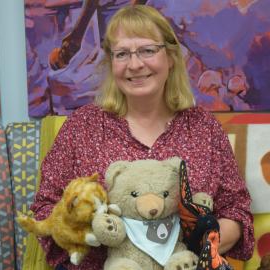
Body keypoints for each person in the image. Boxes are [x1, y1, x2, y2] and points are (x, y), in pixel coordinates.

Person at [30, 5, 254, 270]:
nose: (135, 65)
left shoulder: (204, 127)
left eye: (147, 50)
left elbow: (236, 211)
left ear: (171, 57)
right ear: (111, 62)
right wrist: (93, 230)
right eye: (122, 53)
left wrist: (197, 247)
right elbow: (45, 209)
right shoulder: (82, 127)